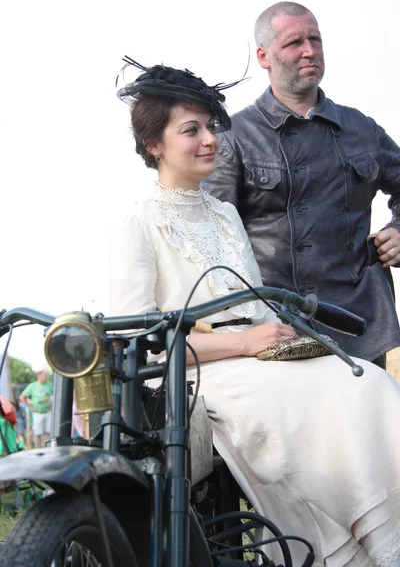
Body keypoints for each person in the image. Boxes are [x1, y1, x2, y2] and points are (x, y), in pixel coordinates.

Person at [109, 59, 400, 567]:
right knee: (309, 408)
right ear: (154, 144)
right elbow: (139, 339)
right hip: (198, 370)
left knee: (370, 385)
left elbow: (251, 295)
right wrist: (244, 344)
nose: (210, 141)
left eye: (211, 128)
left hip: (263, 352)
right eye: (190, 130)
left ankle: (382, 542)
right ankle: (336, 550)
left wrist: (275, 327)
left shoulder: (224, 214)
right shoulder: (136, 220)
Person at [202, 1, 400, 368]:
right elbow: (213, 238)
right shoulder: (234, 137)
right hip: (276, 327)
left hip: (360, 323)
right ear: (264, 56)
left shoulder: (362, 129)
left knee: (363, 425)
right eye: (295, 43)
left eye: (315, 39)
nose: (309, 51)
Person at [20, 369, 53, 448]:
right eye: (44, 375)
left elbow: (54, 395)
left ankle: (48, 449)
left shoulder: (49, 385)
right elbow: (22, 397)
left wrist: (52, 404)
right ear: (39, 376)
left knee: (48, 432)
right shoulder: (33, 386)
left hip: (48, 412)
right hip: (38, 413)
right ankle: (37, 449)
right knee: (37, 433)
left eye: (46, 375)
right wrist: (30, 407)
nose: (45, 377)